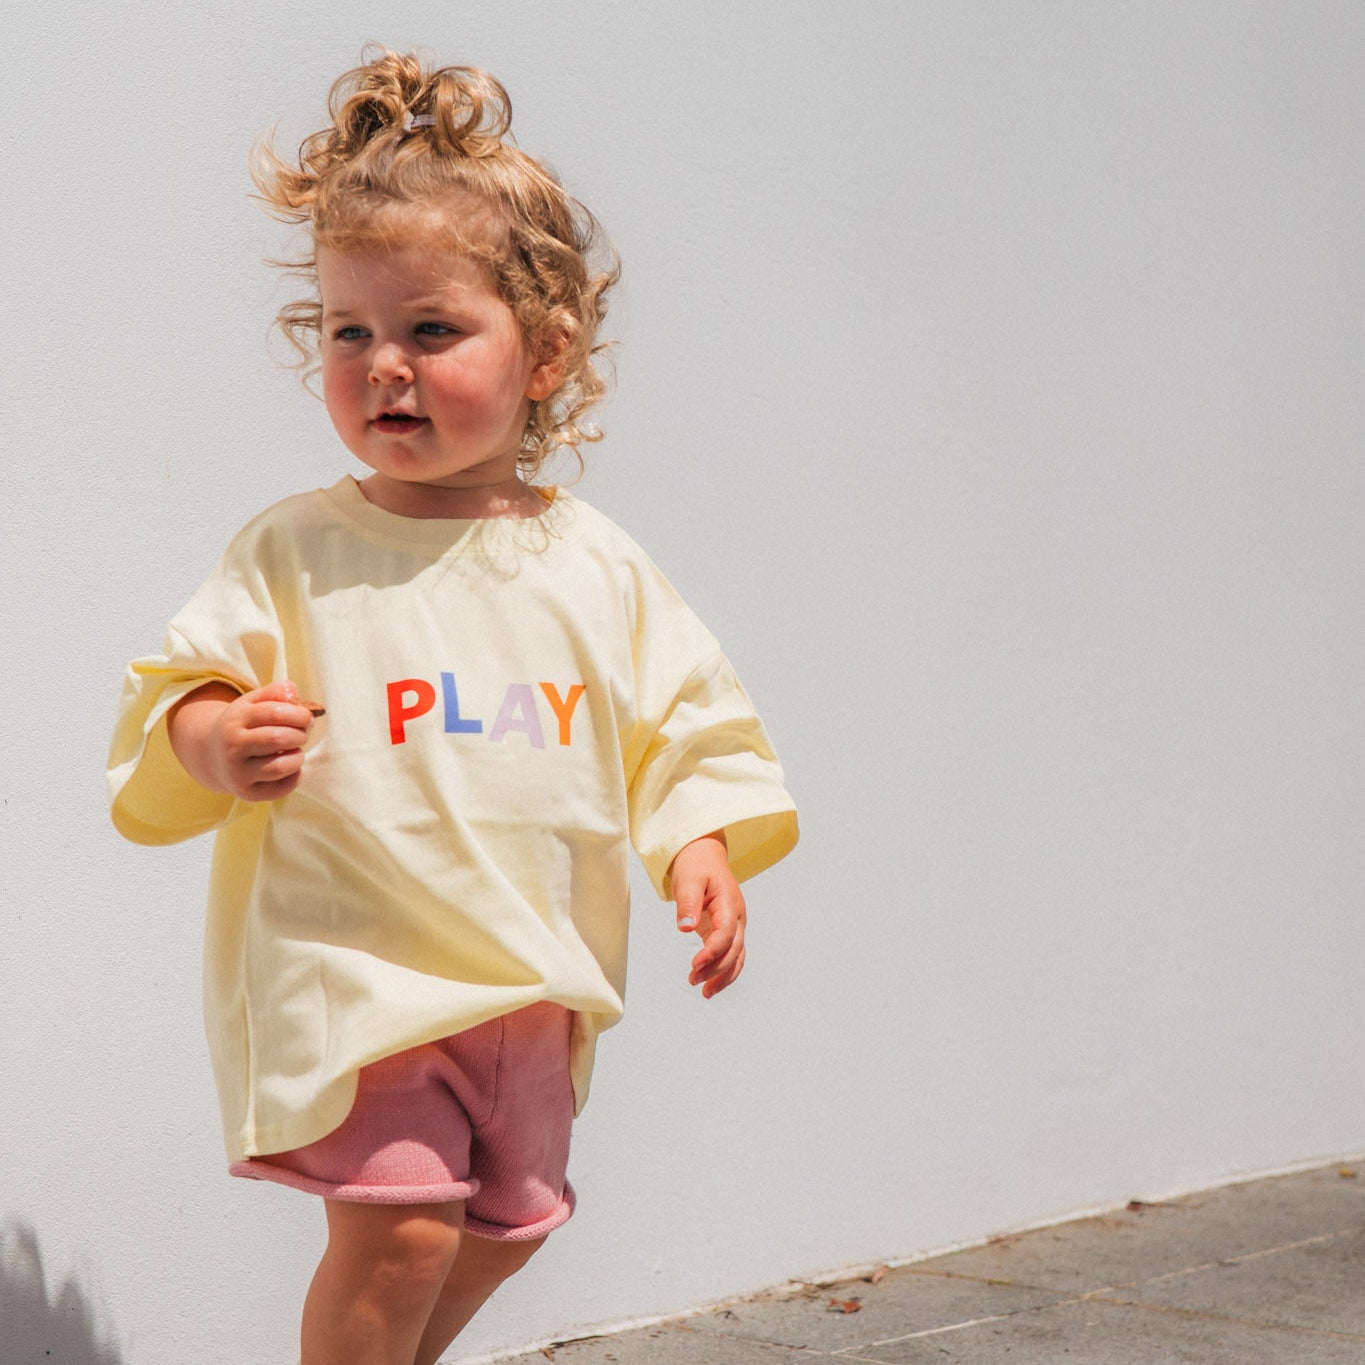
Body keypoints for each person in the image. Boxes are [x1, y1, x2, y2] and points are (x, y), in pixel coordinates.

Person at [106, 46, 797, 1365]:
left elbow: (680, 720)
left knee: (511, 1220)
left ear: (544, 355)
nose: (384, 366)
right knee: (404, 1230)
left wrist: (697, 842)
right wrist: (215, 737)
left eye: (430, 331)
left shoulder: (592, 563)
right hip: (358, 969)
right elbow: (177, 692)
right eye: (349, 332)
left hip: (530, 974)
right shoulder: (296, 551)